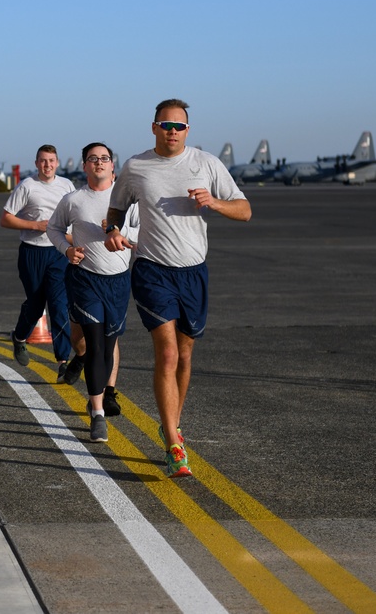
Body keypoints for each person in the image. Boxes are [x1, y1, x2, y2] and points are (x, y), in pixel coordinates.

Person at [105, 98, 251, 477]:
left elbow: (245, 209)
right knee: (167, 354)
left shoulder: (206, 164)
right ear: (154, 127)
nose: (172, 131)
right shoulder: (136, 166)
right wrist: (112, 230)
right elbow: (117, 207)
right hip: (153, 270)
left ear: (188, 130)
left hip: (194, 273)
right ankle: (172, 441)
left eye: (179, 126)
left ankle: (173, 423)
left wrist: (215, 203)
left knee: (185, 356)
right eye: (165, 125)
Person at [47, 143, 137, 442]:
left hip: (118, 281)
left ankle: (98, 394)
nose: (98, 163)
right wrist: (67, 249)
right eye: (92, 159)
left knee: (108, 345)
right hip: (85, 279)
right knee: (96, 346)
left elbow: (143, 229)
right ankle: (98, 414)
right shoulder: (73, 199)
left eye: (104, 158)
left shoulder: (127, 201)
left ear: (113, 165)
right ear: (84, 166)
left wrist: (120, 233)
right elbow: (53, 229)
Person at [2, 144, 79, 380]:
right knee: (35, 305)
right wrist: (35, 225)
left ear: (57, 162)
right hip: (32, 253)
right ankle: (20, 337)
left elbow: (75, 218)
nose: (48, 165)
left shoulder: (67, 185)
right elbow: (6, 219)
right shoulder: (27, 186)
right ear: (36, 163)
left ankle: (63, 361)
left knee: (58, 305)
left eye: (52, 160)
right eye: (43, 161)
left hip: (58, 252)